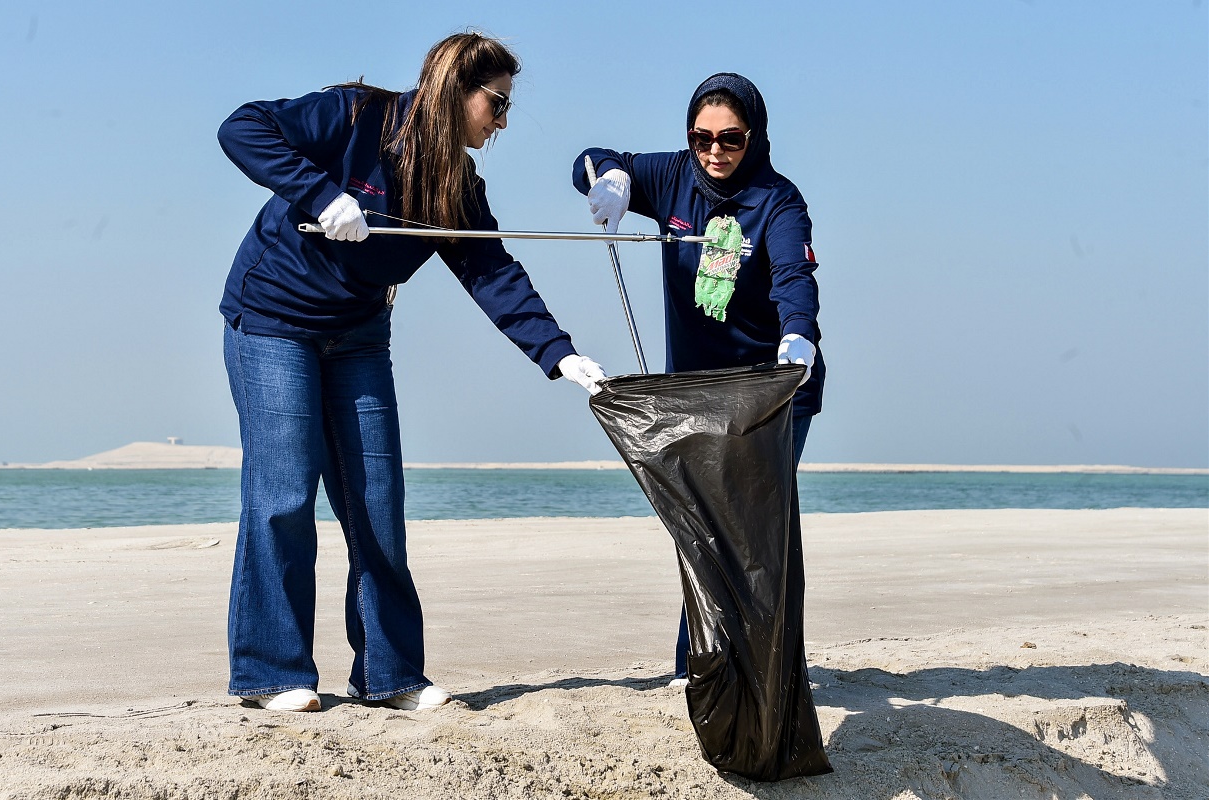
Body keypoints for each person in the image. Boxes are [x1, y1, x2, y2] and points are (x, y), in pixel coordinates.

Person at [218, 32, 606, 713]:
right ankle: (272, 673)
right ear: (459, 89)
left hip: (360, 335)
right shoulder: (355, 115)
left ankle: (390, 674)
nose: (503, 121)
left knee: (377, 506)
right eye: (499, 103)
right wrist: (317, 193)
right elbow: (241, 128)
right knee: (282, 496)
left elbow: (495, 276)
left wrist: (560, 354)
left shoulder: (456, 187)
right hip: (273, 319)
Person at [572, 72, 825, 684]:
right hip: (695, 394)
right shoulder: (672, 177)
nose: (715, 151)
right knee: (701, 530)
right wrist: (608, 178)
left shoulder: (778, 200)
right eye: (701, 137)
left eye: (731, 139)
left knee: (752, 533)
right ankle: (702, 666)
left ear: (754, 137)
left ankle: (765, 664)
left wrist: (800, 334)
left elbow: (794, 274)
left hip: (772, 390)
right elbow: (588, 159)